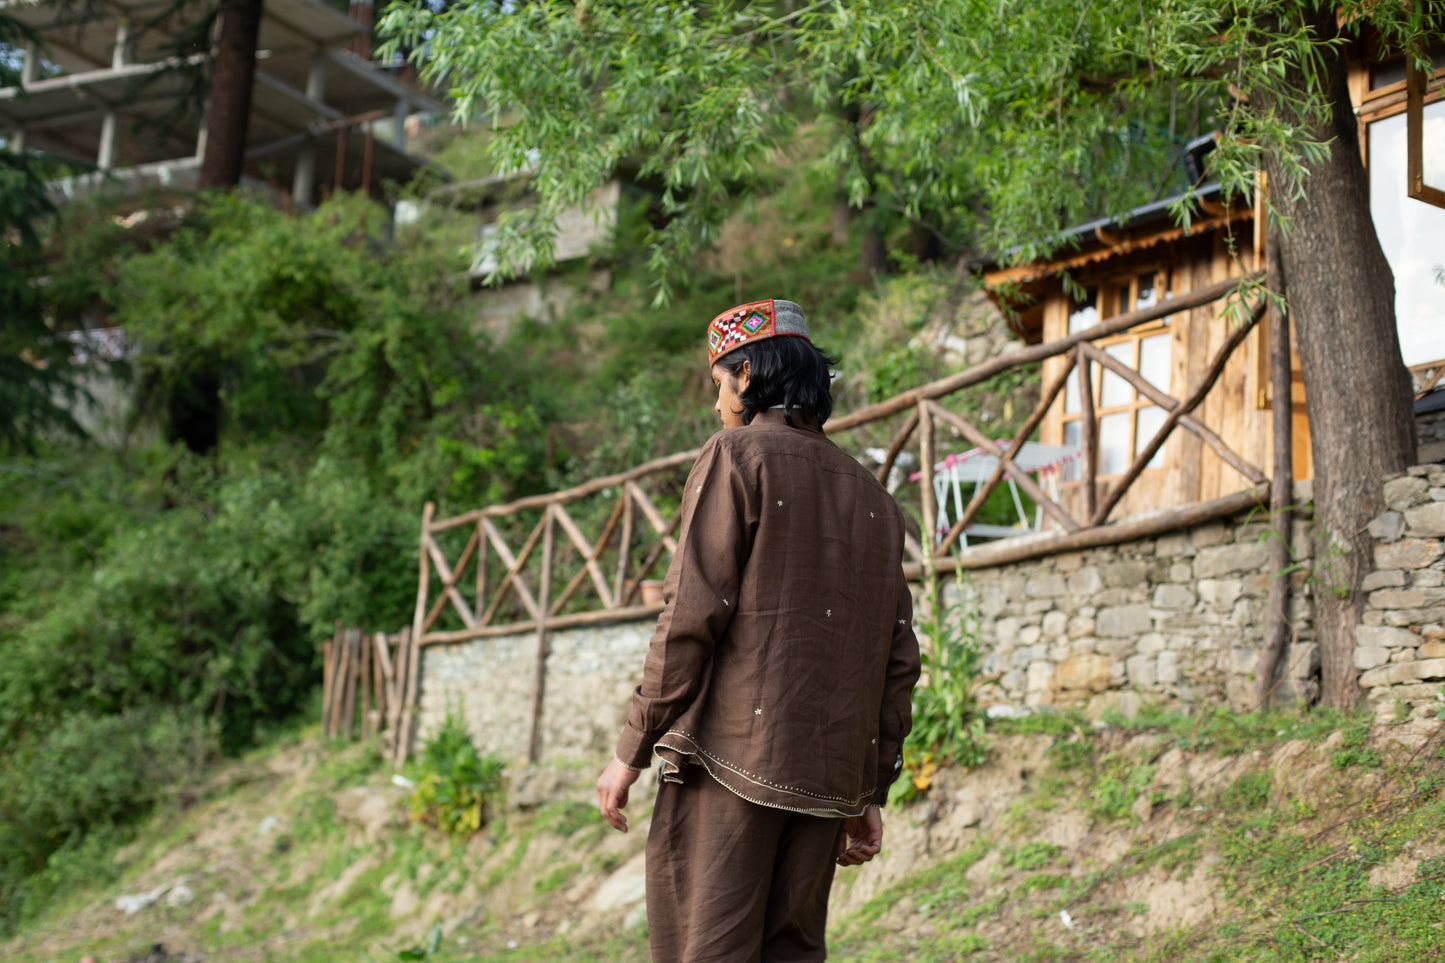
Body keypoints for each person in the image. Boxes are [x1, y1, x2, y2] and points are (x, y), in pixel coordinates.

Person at [595, 298, 921, 963]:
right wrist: (867, 791)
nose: (716, 401)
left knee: (706, 948)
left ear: (748, 374)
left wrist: (630, 747)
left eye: (718, 381)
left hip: (731, 762)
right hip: (827, 778)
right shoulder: (875, 498)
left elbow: (690, 617)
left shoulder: (735, 455)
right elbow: (897, 660)